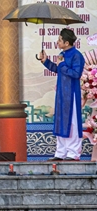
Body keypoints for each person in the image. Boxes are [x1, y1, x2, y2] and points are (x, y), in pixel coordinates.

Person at [40, 28, 85, 161]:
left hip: (72, 94)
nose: (57, 42)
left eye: (60, 40)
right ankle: (61, 153)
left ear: (66, 42)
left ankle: (73, 153)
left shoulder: (77, 55)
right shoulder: (62, 54)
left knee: (72, 123)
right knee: (61, 122)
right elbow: (58, 69)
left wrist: (63, 65)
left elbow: (76, 74)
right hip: (61, 93)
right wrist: (46, 61)